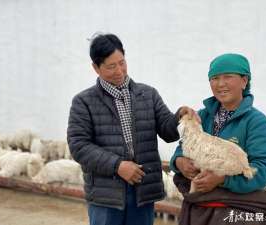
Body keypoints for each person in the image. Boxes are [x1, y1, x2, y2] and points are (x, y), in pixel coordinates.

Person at [67, 33, 195, 225]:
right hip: (106, 194)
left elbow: (168, 133)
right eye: (111, 66)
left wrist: (179, 116)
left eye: (122, 62)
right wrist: (118, 166)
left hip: (143, 189)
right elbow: (79, 146)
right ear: (95, 67)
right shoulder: (84, 102)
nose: (119, 71)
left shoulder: (148, 94)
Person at [169, 53, 266, 225]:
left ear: (244, 81)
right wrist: (180, 162)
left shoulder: (257, 123)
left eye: (228, 77)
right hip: (198, 208)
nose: (220, 84)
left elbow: (265, 169)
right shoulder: (202, 117)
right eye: (214, 78)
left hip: (237, 212)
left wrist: (223, 179)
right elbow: (182, 148)